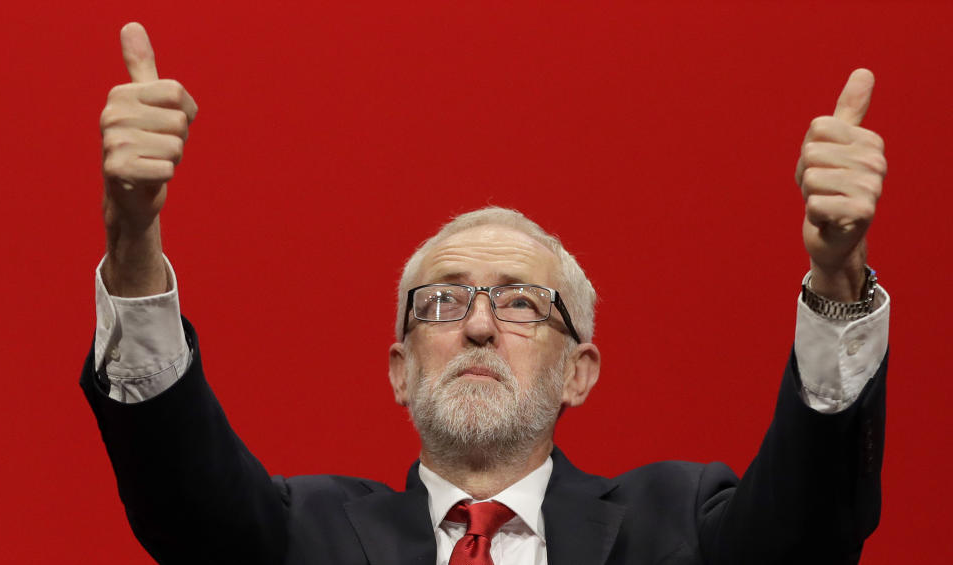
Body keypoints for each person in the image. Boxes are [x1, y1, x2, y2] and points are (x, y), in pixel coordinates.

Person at [82, 22, 890, 564]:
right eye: (441, 300)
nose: (475, 324)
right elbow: (179, 488)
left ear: (580, 369)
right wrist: (133, 240)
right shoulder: (301, 532)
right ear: (399, 369)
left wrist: (837, 277)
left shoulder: (679, 521)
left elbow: (813, 528)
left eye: (519, 302)